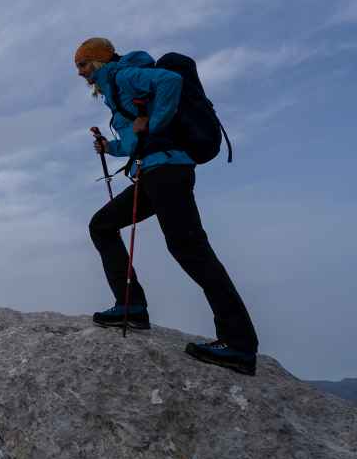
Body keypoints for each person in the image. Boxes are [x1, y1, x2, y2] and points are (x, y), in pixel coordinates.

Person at [75, 37, 259, 375]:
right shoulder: (117, 88)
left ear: (98, 62)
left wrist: (155, 124)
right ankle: (131, 306)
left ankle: (240, 344)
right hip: (153, 173)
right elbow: (136, 139)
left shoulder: (124, 76)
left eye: (83, 65)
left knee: (190, 250)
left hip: (168, 171)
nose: (80, 73)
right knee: (102, 225)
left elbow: (170, 82)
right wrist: (110, 147)